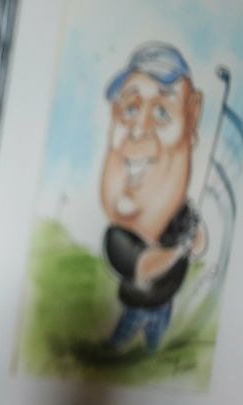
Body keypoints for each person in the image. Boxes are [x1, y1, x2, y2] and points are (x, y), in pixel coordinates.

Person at [101, 42, 207, 354]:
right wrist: (180, 247)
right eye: (130, 109)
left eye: (162, 112)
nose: (138, 131)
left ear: (192, 117)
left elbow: (200, 245)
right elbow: (145, 267)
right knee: (119, 344)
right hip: (138, 305)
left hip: (165, 304)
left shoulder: (180, 212)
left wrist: (194, 236)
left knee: (155, 351)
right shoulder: (118, 236)